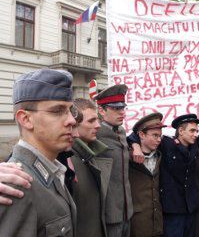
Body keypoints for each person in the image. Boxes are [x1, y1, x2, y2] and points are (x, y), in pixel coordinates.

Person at [0, 68, 77, 236]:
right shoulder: (16, 185)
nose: (71, 120)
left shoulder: (53, 170)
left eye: (71, 110)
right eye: (58, 111)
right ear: (26, 119)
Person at [65, 98, 113, 237]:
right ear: (74, 124)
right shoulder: (66, 159)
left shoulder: (91, 153)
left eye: (97, 119)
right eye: (91, 121)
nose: (98, 125)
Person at [95, 84, 133, 237]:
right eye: (116, 109)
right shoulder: (95, 134)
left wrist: (135, 144)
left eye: (123, 108)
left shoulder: (121, 131)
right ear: (101, 110)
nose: (122, 113)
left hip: (126, 211)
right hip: (108, 213)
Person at [128, 112, 166, 237]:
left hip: (157, 222)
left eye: (160, 136)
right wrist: (134, 144)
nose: (159, 140)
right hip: (137, 222)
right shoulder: (128, 157)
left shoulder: (160, 155)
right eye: (155, 135)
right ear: (142, 135)